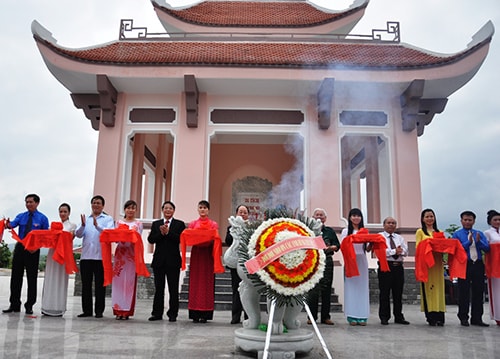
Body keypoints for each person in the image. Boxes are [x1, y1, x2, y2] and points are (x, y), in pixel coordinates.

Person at [3, 194, 49, 315]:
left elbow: (45, 237)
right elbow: (12, 224)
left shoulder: (42, 218)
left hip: (33, 250)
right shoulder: (21, 216)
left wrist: (37, 247)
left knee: (31, 278)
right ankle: (14, 304)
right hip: (20, 248)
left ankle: (29, 305)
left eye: (31, 202)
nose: (28, 204)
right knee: (15, 277)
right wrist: (7, 224)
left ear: (37, 203)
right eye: (26, 202)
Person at [75, 195, 114, 318]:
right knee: (86, 285)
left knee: (99, 285)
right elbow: (78, 235)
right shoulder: (86, 219)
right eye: (94, 203)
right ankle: (87, 310)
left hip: (100, 257)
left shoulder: (108, 219)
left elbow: (109, 233)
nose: (96, 205)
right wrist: (82, 225)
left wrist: (97, 226)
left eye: (98, 203)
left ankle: (99, 311)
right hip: (86, 257)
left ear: (102, 206)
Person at [147, 201, 186, 322]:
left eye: (170, 208)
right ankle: (157, 313)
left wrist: (168, 232)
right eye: (166, 208)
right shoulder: (156, 224)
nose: (168, 210)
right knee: (159, 288)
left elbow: (181, 239)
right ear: (162, 210)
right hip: (159, 261)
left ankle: (173, 314)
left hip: (173, 261)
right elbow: (151, 239)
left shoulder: (179, 224)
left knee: (173, 288)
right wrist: (161, 233)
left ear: (174, 211)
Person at [452, 210, 490, 327]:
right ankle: (463, 317)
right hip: (465, 264)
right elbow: (457, 249)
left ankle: (477, 318)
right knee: (464, 292)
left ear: (474, 221)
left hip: (477, 264)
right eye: (465, 220)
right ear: (461, 221)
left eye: (470, 220)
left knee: (478, 291)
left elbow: (487, 249)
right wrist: (468, 242)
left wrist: (478, 242)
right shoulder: (457, 234)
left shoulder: (479, 233)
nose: (468, 222)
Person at [41, 203, 77, 316]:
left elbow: (70, 238)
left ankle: (59, 307)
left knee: (60, 279)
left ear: (69, 213)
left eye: (65, 212)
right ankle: (47, 306)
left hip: (63, 255)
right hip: (52, 254)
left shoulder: (72, 226)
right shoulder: (54, 226)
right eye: (61, 211)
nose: (62, 214)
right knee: (50, 278)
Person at [187, 200, 219, 323]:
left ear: (208, 210)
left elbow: (215, 239)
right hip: (197, 254)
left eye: (205, 208)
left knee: (207, 282)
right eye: (200, 207)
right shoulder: (193, 224)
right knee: (195, 281)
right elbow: (189, 237)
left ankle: (205, 313)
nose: (202, 210)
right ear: (198, 209)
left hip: (208, 255)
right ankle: (194, 312)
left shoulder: (213, 224)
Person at [306, 208, 340, 325]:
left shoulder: (329, 231)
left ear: (325, 218)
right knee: (312, 290)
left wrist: (329, 248)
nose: (319, 217)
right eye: (317, 215)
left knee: (326, 290)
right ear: (313, 217)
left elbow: (337, 245)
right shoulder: (307, 230)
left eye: (321, 215)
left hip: (327, 261)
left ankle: (326, 317)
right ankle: (311, 317)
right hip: (312, 261)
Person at [112, 200, 143, 320]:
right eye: (128, 208)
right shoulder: (118, 222)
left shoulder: (138, 224)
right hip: (120, 254)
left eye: (133, 208)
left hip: (131, 255)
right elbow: (115, 238)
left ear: (136, 210)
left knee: (129, 283)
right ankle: (118, 310)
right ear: (124, 209)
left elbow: (138, 240)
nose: (130, 210)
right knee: (118, 283)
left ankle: (127, 311)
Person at [340, 208, 370, 326]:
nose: (356, 218)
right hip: (351, 261)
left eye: (358, 216)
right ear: (350, 217)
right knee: (351, 287)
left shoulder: (364, 231)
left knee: (362, 287)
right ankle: (352, 316)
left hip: (362, 260)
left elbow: (366, 249)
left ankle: (362, 316)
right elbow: (343, 246)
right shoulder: (346, 231)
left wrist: (372, 244)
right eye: (353, 215)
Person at [416, 208, 446, 326]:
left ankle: (440, 315)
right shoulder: (420, 232)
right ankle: (431, 316)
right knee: (429, 289)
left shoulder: (439, 232)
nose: (429, 219)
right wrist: (429, 244)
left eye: (431, 216)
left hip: (437, 265)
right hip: (427, 265)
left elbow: (444, 247)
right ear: (423, 219)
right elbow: (419, 247)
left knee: (439, 289)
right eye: (427, 217)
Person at [378, 217, 409, 325]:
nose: (391, 225)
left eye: (393, 223)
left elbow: (406, 251)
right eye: (389, 223)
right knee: (384, 292)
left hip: (398, 266)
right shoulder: (380, 236)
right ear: (384, 225)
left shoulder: (399, 238)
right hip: (386, 266)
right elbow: (380, 251)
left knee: (398, 293)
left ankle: (398, 316)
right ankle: (384, 316)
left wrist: (400, 251)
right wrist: (393, 251)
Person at [224, 204, 250, 324]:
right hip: (235, 262)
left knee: (249, 289)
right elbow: (228, 241)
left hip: (248, 262)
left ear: (248, 215)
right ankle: (235, 316)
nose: (242, 214)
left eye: (245, 212)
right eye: (240, 212)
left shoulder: (251, 228)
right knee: (236, 289)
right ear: (236, 213)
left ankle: (248, 316)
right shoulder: (231, 227)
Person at [485, 210, 500, 325]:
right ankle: (497, 316)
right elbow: (486, 249)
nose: (497, 222)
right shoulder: (487, 233)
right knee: (496, 291)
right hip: (494, 265)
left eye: (499, 219)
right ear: (490, 221)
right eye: (495, 220)